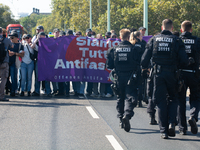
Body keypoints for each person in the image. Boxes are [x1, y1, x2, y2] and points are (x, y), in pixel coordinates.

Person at [141, 19, 190, 139]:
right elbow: (184, 60)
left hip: (158, 74)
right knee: (173, 98)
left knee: (161, 101)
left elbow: (144, 60)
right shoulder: (177, 40)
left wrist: (145, 69)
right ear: (172, 28)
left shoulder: (154, 39)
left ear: (162, 28)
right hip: (173, 74)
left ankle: (163, 131)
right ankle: (172, 123)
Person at [106, 29, 140, 132]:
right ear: (129, 37)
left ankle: (121, 119)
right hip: (131, 77)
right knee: (131, 97)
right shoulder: (135, 49)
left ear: (120, 37)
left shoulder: (113, 49)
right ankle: (127, 114)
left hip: (118, 77)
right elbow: (139, 63)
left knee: (120, 98)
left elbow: (109, 65)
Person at [177, 20, 200, 135]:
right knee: (195, 97)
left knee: (181, 100)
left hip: (180, 73)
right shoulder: (197, 40)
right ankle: (193, 116)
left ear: (181, 29)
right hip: (194, 73)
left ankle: (182, 128)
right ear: (191, 29)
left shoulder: (177, 40)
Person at [31, 32, 52, 97]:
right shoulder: (37, 42)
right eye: (40, 36)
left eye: (43, 36)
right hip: (38, 61)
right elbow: (32, 46)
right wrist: (37, 39)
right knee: (37, 77)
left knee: (46, 77)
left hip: (46, 62)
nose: (42, 38)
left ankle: (48, 91)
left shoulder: (47, 42)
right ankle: (37, 91)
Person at [8, 30, 25, 97]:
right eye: (10, 37)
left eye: (12, 38)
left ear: (16, 38)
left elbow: (22, 55)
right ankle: (10, 88)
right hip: (7, 63)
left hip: (14, 63)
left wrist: (14, 53)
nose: (10, 39)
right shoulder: (9, 44)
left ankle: (13, 90)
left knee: (13, 77)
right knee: (5, 78)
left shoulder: (20, 45)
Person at [0, 27, 13, 101]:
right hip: (4, 63)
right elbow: (12, 46)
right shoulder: (6, 40)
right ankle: (1, 96)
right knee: (3, 80)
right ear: (2, 32)